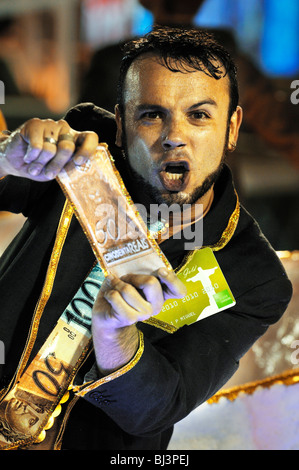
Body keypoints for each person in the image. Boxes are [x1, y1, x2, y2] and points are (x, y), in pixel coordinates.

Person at [0, 27, 292, 450]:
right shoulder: (83, 150)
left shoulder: (252, 274)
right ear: (120, 125)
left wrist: (115, 334)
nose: (175, 135)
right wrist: (8, 156)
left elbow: (159, 407)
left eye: (199, 115)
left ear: (232, 128)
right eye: (152, 114)